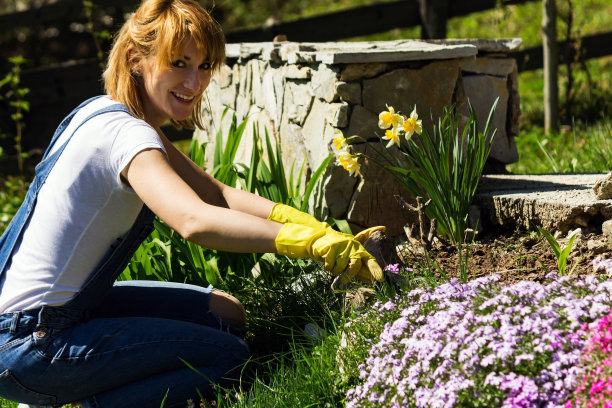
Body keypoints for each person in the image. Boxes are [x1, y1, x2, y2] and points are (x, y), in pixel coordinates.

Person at [0, 0, 384, 407]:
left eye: (203, 67)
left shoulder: (104, 113)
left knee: (228, 314)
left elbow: (215, 194)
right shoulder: (129, 138)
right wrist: (307, 245)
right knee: (226, 357)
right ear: (136, 59)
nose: (194, 82)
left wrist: (305, 224)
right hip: (32, 344)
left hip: (49, 317)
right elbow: (193, 220)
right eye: (179, 63)